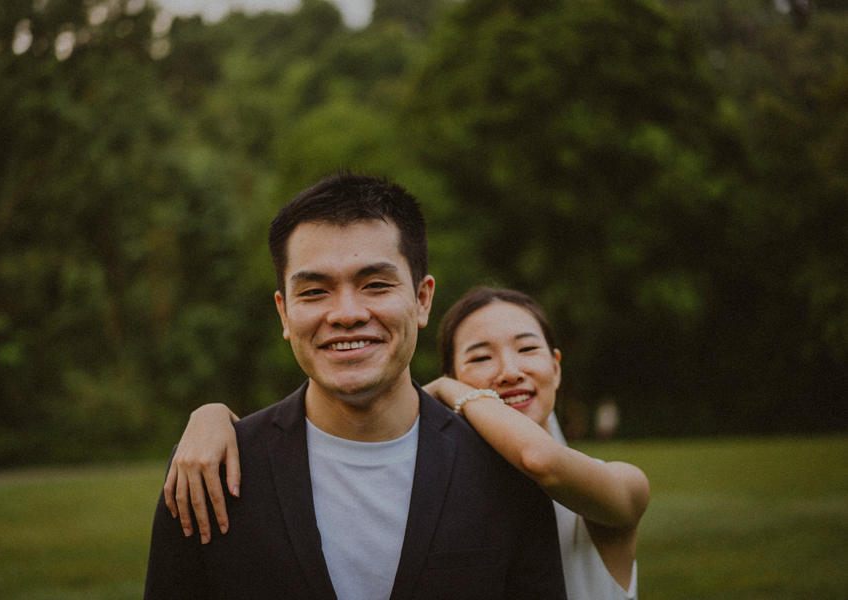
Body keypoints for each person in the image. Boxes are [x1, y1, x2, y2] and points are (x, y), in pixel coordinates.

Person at [144, 173, 567, 600]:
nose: (346, 313)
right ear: (284, 314)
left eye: (375, 285)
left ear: (422, 299)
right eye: (314, 291)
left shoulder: (503, 472)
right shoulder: (209, 473)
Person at [171, 287, 650, 599]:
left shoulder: (623, 483)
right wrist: (210, 414)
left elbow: (540, 459)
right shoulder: (465, 491)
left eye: (527, 348)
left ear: (557, 365)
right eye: (480, 357)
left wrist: (451, 392)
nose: (509, 371)